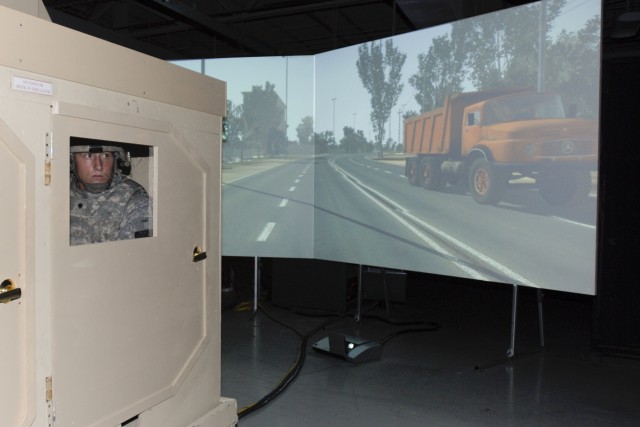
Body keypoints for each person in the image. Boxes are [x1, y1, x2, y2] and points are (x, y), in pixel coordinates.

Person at [69, 143, 151, 245]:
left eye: (105, 155)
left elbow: (136, 256)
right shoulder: (58, 192)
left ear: (115, 160)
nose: (98, 166)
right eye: (88, 156)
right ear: (72, 160)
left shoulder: (133, 198)